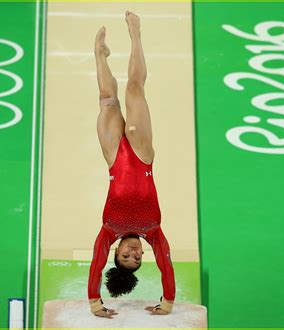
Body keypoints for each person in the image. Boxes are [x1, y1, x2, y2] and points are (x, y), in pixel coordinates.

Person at [88, 11, 176, 319]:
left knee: (107, 97)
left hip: (114, 158)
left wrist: (95, 303)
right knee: (134, 88)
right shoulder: (154, 231)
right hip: (141, 156)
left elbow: (96, 265)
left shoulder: (108, 231)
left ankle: (100, 54)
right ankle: (135, 32)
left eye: (125, 256)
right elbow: (166, 266)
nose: (134, 253)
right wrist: (167, 303)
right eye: (137, 258)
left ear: (117, 251)